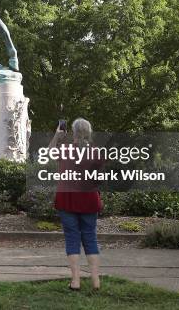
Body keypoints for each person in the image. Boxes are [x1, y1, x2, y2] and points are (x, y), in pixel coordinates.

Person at [48, 118, 102, 291]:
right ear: (89, 132)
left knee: (72, 238)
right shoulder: (96, 152)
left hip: (68, 199)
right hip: (89, 199)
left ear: (72, 132)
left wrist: (57, 136)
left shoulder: (65, 149)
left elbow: (48, 154)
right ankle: (95, 281)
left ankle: (76, 281)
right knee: (90, 238)